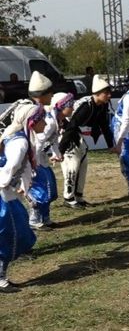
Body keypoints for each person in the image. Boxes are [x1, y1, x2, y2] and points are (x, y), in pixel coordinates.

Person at [0, 104, 45, 293]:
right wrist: (5, 182)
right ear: (32, 122)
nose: (45, 121)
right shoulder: (20, 142)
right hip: (4, 195)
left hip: (8, 194)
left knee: (19, 232)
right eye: (41, 118)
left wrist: (25, 188)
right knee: (11, 233)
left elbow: (24, 167)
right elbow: (10, 167)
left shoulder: (20, 138)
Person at [59, 76, 117, 207]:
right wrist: (60, 150)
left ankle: (78, 196)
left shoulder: (102, 105)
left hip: (74, 131)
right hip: (66, 131)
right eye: (106, 93)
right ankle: (68, 197)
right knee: (73, 163)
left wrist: (110, 145)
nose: (109, 95)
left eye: (109, 92)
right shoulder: (86, 106)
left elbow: (104, 125)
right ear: (97, 93)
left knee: (83, 162)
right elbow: (71, 126)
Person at [28, 92, 74, 230]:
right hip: (36, 160)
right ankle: (34, 219)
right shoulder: (49, 122)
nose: (72, 108)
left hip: (41, 159)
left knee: (50, 191)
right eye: (70, 105)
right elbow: (38, 142)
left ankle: (45, 218)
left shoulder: (56, 120)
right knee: (42, 191)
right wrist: (32, 164)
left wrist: (57, 153)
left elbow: (53, 140)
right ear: (61, 106)